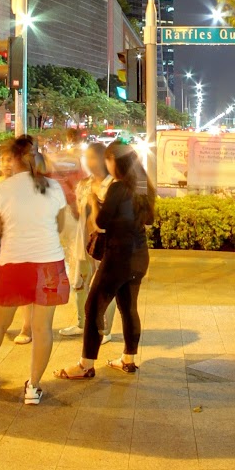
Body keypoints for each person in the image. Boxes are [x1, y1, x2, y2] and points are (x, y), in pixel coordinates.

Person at [0, 133, 78, 404]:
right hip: (49, 264)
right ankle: (33, 387)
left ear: (15, 159)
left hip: (14, 264)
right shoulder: (53, 188)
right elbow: (59, 227)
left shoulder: (2, 189)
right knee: (43, 329)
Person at [60, 141, 154, 379]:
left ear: (116, 161)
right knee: (128, 308)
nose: (106, 164)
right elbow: (149, 218)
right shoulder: (142, 184)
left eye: (109, 160)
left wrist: (93, 202)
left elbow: (100, 225)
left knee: (93, 308)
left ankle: (86, 364)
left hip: (117, 258)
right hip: (139, 256)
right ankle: (128, 360)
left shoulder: (118, 188)